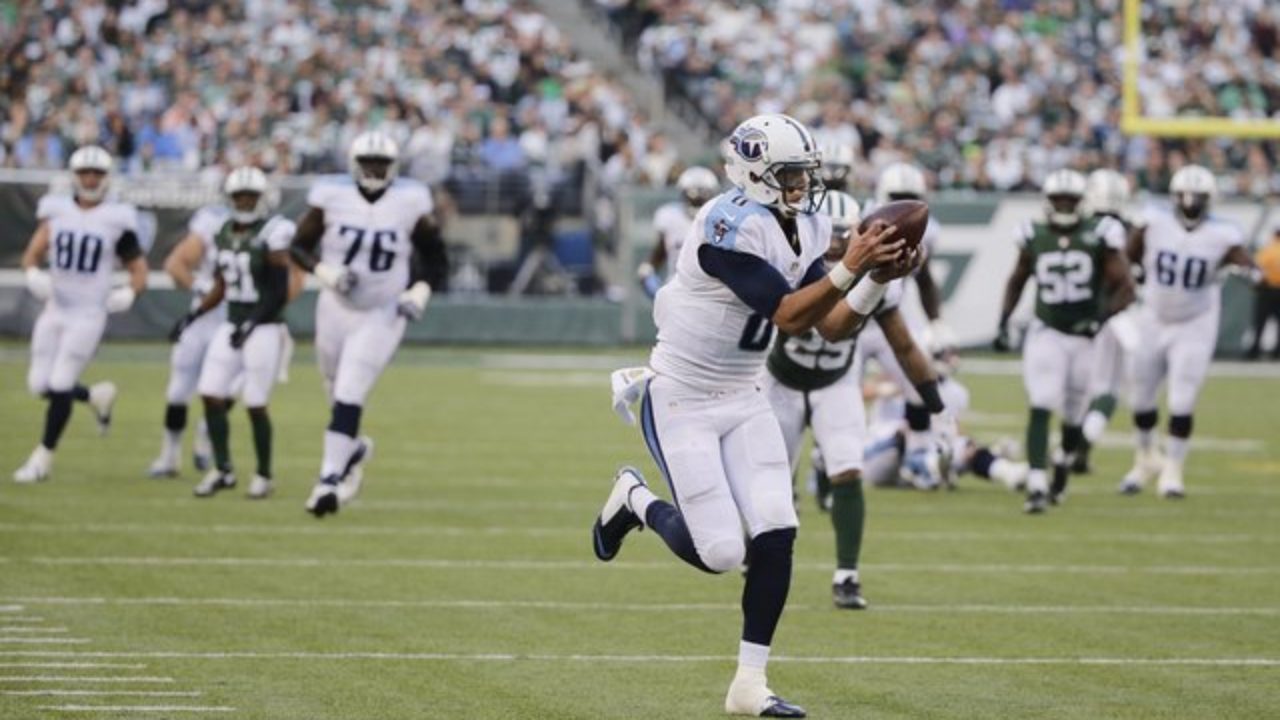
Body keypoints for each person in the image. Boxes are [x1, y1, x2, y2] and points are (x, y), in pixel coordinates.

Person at [592, 113, 905, 718]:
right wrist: (852, 265)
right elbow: (788, 314)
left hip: (743, 394)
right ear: (755, 174)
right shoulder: (723, 224)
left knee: (776, 529)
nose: (801, 188)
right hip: (681, 395)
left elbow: (829, 324)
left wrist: (873, 282)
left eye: (804, 175)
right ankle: (634, 498)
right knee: (719, 553)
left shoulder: (805, 224)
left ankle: (748, 684)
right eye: (790, 176)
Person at [761, 190, 938, 611]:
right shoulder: (794, 266)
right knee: (772, 479)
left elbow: (904, 344)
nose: (838, 241)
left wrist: (931, 396)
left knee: (847, 467)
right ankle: (762, 553)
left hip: (836, 382)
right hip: (780, 381)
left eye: (847, 233)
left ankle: (846, 573)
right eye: (831, 232)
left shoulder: (878, 277)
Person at [290, 130, 447, 517]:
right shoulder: (331, 195)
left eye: (381, 163)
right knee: (333, 388)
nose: (374, 169)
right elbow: (297, 247)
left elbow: (436, 258)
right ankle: (353, 448)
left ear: (393, 167)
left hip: (383, 311)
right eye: (368, 162)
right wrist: (325, 271)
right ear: (354, 164)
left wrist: (420, 291)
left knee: (349, 391)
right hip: (334, 306)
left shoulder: (411, 200)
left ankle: (329, 479)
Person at [994, 169, 1134, 513]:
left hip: (1084, 337)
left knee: (1074, 416)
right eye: (1059, 199)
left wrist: (1100, 319)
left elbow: (1126, 287)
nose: (1064, 205)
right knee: (1041, 402)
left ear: (1082, 202)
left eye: (1070, 200)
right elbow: (1017, 279)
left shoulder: (1100, 234)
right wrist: (1003, 321)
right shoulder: (1033, 234)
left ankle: (1062, 464)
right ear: (1048, 202)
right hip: (1048, 331)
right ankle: (1038, 484)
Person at [1120, 165, 1261, 497]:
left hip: (1195, 323)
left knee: (1182, 398)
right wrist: (1135, 272)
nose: (1190, 202)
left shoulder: (1223, 234)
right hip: (1154, 316)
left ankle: (1173, 469)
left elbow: (1247, 263)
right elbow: (1128, 256)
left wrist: (1249, 272)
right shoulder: (1154, 221)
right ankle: (1145, 459)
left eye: (1197, 197)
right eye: (1185, 195)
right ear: (1173, 196)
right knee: (1140, 396)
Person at [14, 145, 146, 483]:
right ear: (74, 176)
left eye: (97, 173)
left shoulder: (117, 219)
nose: (90, 179)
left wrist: (131, 291)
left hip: (88, 313)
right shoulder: (56, 211)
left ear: (106, 178)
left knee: (60, 383)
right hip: (55, 308)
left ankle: (42, 459)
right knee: (38, 384)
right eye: (85, 173)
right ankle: (95, 396)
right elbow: (31, 254)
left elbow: (138, 270)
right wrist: (33, 274)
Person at [171, 167, 295, 500]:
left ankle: (264, 474)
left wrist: (252, 323)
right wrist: (194, 315)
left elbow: (279, 291)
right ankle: (223, 469)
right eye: (239, 196)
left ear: (260, 198)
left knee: (255, 401)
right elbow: (222, 285)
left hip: (264, 327)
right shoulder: (224, 232)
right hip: (232, 323)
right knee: (210, 392)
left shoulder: (274, 232)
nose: (244, 201)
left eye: (250, 196)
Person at [854, 162, 953, 489]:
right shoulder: (859, 221)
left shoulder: (927, 229)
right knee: (840, 393)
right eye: (898, 197)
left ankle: (919, 456)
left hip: (889, 316)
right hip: (851, 319)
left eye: (910, 198)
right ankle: (828, 461)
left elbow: (924, 279)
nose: (904, 204)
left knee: (917, 385)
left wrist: (936, 321)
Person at [147, 202, 228, 477]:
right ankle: (169, 457)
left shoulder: (270, 229)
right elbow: (175, 264)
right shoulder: (212, 222)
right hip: (203, 319)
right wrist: (199, 286)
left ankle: (205, 438)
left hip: (237, 320)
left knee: (226, 390)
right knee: (179, 390)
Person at [1076, 168, 1145, 472]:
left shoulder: (1082, 228)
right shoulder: (1132, 229)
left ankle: (1077, 445)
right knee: (1108, 389)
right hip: (1123, 314)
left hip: (1088, 313)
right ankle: (1080, 446)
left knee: (1090, 388)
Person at [637, 166, 719, 299]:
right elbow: (661, 251)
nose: (697, 198)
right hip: (676, 291)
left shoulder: (721, 220)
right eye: (692, 195)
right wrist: (648, 270)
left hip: (710, 293)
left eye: (702, 195)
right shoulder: (669, 216)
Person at [1246, 225, 1280, 360]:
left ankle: (1254, 351)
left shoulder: (1267, 250)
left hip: (1266, 290)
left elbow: (1256, 271)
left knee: (1260, 322)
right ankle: (1277, 352)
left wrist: (1256, 285)